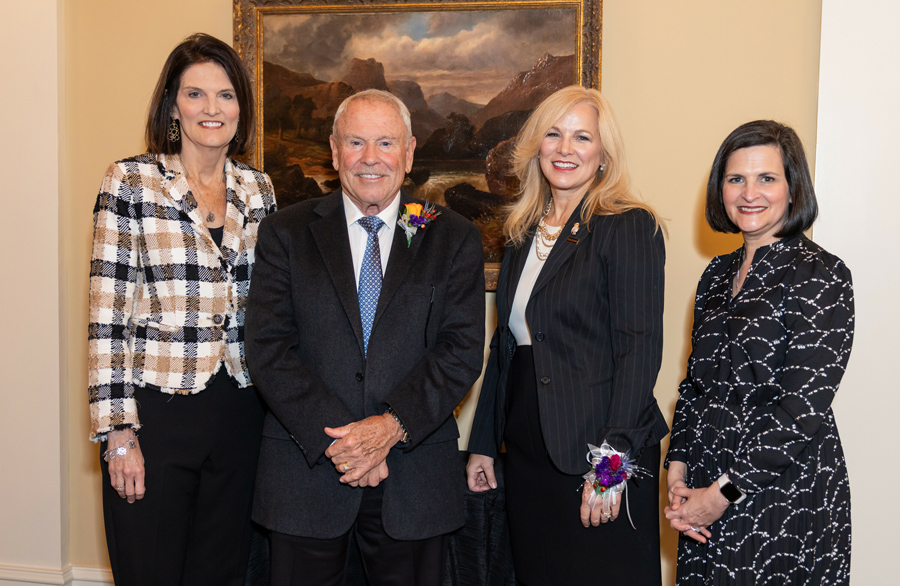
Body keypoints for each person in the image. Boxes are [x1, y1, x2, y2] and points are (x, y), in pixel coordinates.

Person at [245, 89, 485, 586]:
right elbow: (269, 348)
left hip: (414, 482)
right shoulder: (284, 232)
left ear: (410, 152)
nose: (371, 158)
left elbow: (460, 350)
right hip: (306, 475)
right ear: (335, 152)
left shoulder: (454, 235)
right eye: (356, 142)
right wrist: (348, 442)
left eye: (385, 143)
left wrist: (391, 426)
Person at [87, 33, 276, 585]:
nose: (211, 109)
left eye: (226, 95)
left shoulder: (258, 189)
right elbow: (107, 316)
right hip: (156, 415)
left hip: (241, 411)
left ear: (242, 107)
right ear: (173, 105)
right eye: (196, 95)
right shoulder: (131, 181)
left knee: (221, 573)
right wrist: (118, 433)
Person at [466, 85, 668, 585]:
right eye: (553, 134)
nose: (565, 148)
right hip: (530, 452)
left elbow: (639, 349)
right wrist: (485, 442)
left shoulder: (627, 226)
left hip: (599, 450)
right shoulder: (522, 232)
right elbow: (506, 347)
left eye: (582, 137)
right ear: (536, 144)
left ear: (603, 153)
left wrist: (611, 467)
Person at [664, 120, 854, 584]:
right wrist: (677, 471)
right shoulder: (716, 274)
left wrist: (723, 493)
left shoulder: (822, 274)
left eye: (766, 178)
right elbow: (695, 385)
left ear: (793, 189)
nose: (750, 193)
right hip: (705, 484)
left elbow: (800, 410)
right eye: (736, 179)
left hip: (783, 494)